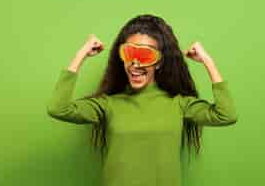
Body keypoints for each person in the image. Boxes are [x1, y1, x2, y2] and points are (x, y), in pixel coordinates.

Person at [46, 14, 238, 186]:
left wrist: (207, 60)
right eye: (130, 54)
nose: (135, 63)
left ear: (159, 62)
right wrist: (81, 54)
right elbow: (58, 108)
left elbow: (226, 115)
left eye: (145, 55)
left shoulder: (179, 104)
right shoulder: (108, 104)